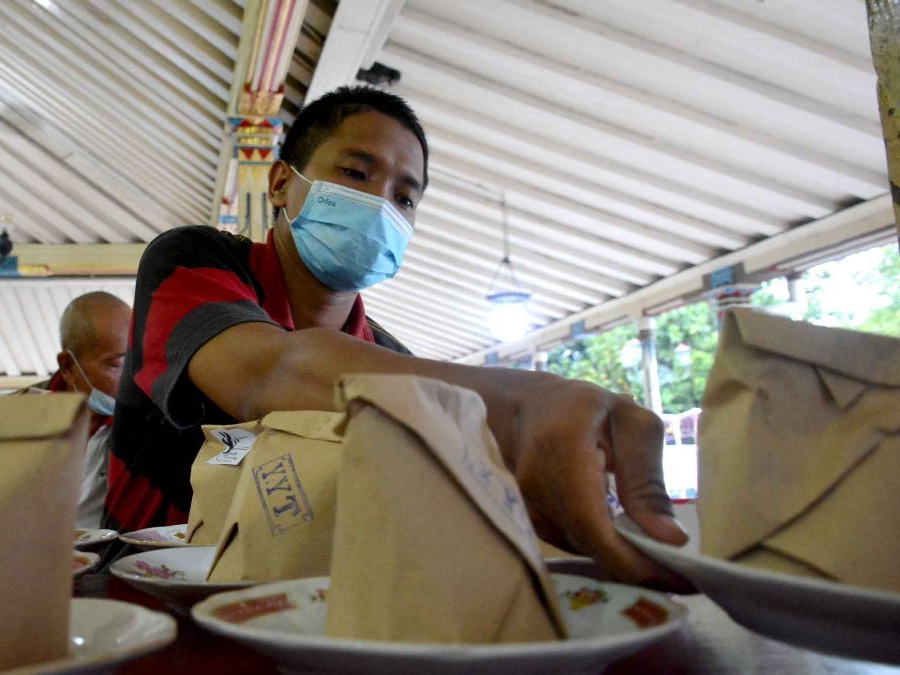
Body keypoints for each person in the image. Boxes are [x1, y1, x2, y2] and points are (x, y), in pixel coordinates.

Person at [107, 85, 686, 589]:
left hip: (306, 608)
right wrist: (511, 410)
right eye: (356, 174)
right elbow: (270, 372)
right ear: (282, 182)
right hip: (150, 602)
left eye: (405, 197)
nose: (380, 203)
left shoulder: (389, 361)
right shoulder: (194, 263)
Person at [55, 291, 131, 529]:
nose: (133, 378)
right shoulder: (22, 426)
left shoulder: (144, 430)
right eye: (117, 365)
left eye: (137, 362)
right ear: (68, 366)